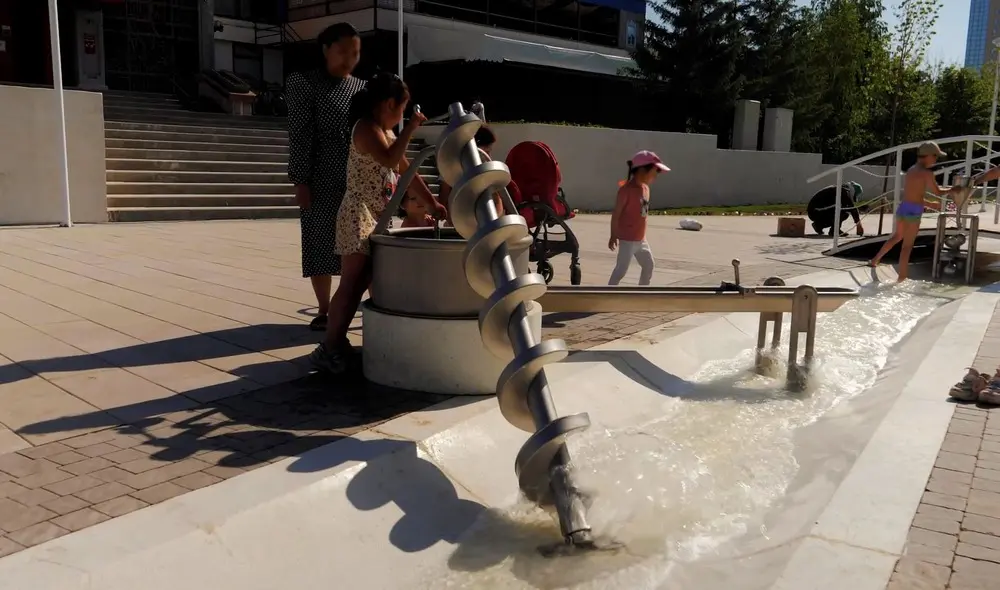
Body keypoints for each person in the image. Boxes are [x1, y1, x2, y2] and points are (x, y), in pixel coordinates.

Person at [309, 72, 447, 374]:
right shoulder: (366, 129)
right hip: (358, 214)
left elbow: (408, 172)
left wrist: (433, 204)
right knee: (352, 282)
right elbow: (388, 160)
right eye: (402, 109)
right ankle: (329, 346)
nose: (402, 116)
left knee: (370, 281)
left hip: (377, 217)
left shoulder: (387, 134)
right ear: (388, 104)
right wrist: (411, 128)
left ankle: (352, 342)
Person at [286, 23, 366, 331]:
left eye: (355, 53)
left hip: (357, 181)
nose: (349, 59)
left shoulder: (363, 88)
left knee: (357, 246)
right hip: (320, 178)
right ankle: (324, 309)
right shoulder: (305, 84)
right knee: (320, 243)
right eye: (343, 51)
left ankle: (349, 304)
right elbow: (300, 135)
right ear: (325, 50)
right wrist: (300, 181)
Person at [869, 141, 960, 282]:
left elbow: (913, 194)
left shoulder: (911, 170)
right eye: (935, 156)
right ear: (928, 156)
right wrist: (952, 190)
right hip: (914, 212)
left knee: (896, 237)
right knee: (907, 247)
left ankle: (875, 260)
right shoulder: (927, 173)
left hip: (903, 208)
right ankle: (901, 278)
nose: (936, 159)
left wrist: (928, 203)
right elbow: (937, 191)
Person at [607, 151, 669, 286]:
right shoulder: (626, 190)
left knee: (648, 265)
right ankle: (609, 293)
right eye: (654, 172)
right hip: (627, 240)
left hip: (641, 240)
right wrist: (613, 235)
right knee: (621, 270)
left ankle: (642, 292)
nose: (656, 176)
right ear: (642, 170)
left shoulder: (646, 188)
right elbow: (616, 214)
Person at [438, 125, 504, 217]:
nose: (488, 156)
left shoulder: (485, 169)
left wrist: (494, 219)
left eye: (489, 152)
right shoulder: (451, 168)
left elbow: (496, 198)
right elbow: (444, 196)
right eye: (486, 152)